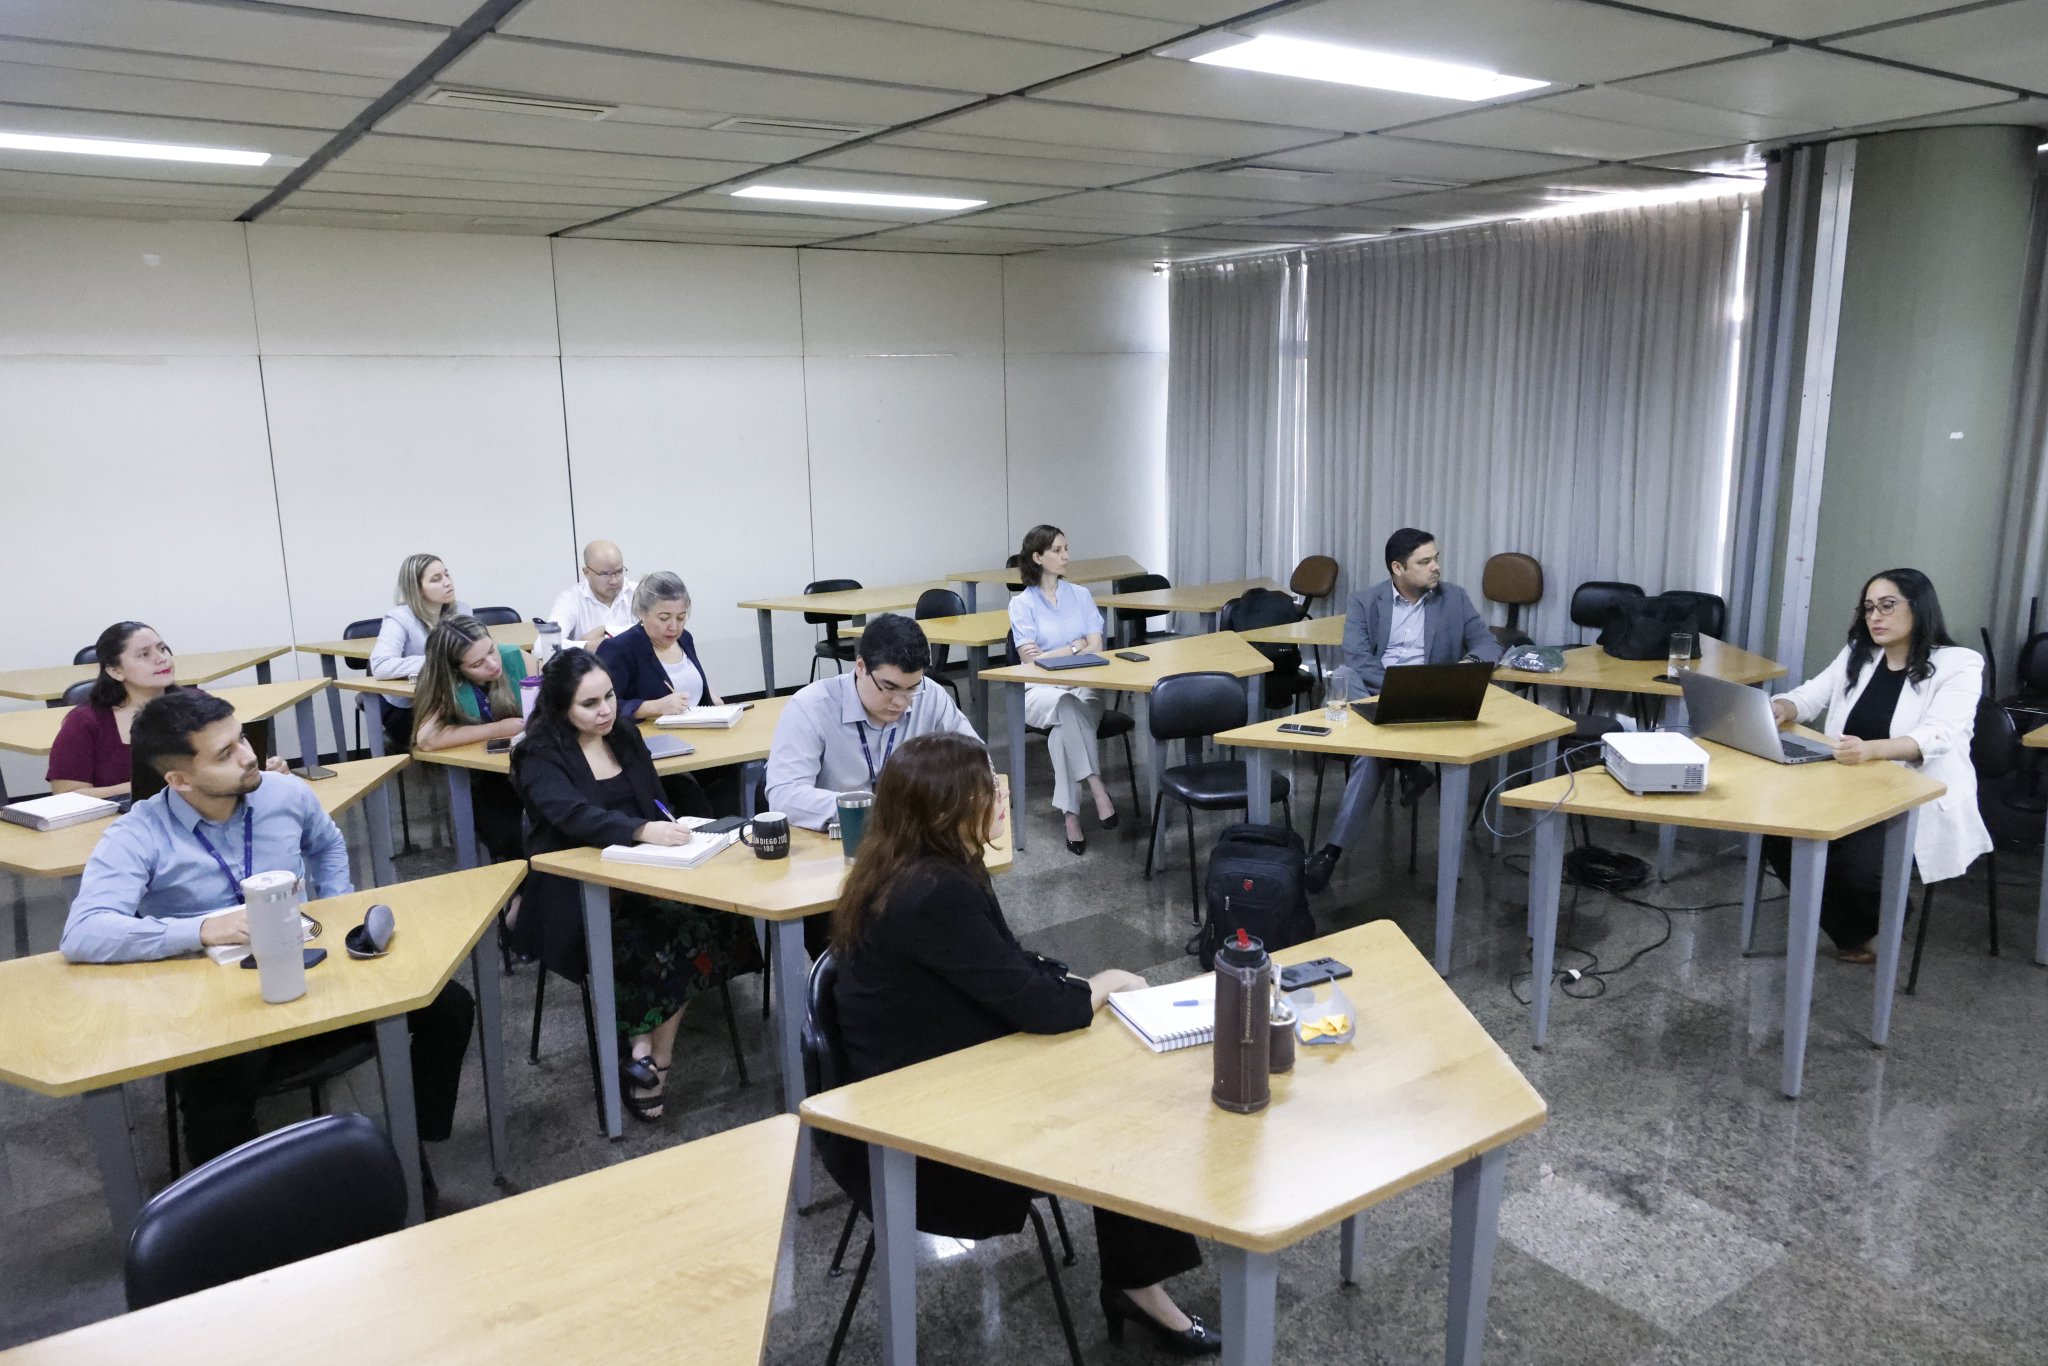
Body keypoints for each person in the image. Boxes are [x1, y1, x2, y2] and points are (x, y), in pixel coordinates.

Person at [831, 733, 1221, 1356]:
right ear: (944, 808)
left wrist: (1071, 985)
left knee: (1113, 1073)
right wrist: (1091, 988)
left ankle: (1138, 1280)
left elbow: (1001, 967)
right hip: (921, 1130)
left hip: (935, 1072)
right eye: (987, 787)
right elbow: (1032, 1004)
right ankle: (1138, 1287)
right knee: (1128, 1107)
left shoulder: (918, 865)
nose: (1002, 796)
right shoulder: (932, 890)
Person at [59, 691, 473, 1185]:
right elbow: (84, 932)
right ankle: (241, 1207)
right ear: (179, 779)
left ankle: (410, 1143)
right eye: (225, 753)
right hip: (215, 1002)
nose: (248, 755)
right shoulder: (138, 834)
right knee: (218, 1092)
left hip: (310, 966)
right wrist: (200, 929)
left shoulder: (284, 793)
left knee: (449, 1006)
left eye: (241, 738)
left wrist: (336, 906)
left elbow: (328, 843)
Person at [512, 650, 761, 1119]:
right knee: (657, 933)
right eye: (590, 704)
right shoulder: (538, 751)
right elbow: (570, 815)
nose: (606, 710)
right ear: (561, 707)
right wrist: (641, 831)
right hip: (578, 883)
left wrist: (667, 830)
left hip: (645, 871)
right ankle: (649, 1053)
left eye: (609, 696)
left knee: (708, 915)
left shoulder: (623, 734)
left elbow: (654, 800)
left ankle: (649, 1052)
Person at [1763, 568, 1991, 962]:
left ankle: (1882, 921)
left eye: (1887, 606)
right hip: (1847, 785)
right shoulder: (1859, 653)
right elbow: (1812, 695)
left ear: (1919, 609)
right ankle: (1857, 932)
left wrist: (1873, 749)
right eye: (1869, 608)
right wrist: (1782, 706)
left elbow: (1940, 735)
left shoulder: (1959, 663)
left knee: (1852, 860)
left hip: (1911, 794)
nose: (1875, 617)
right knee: (1781, 837)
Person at [1305, 528, 1502, 893]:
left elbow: (1487, 644)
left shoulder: (1454, 599)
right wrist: (1395, 690)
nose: (1436, 568)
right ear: (1397, 568)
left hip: (1428, 699)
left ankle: (1330, 853)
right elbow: (1358, 658)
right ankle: (1410, 767)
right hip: (1376, 693)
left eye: (1436, 558)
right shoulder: (1365, 601)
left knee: (1370, 750)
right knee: (1349, 678)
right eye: (1425, 562)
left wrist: (1466, 664)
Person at [765, 613, 981, 832]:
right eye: (889, 687)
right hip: (838, 840)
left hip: (912, 840)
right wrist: (867, 809)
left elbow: (976, 761)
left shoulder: (930, 695)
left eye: (911, 689)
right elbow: (784, 795)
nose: (900, 702)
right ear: (860, 667)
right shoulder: (811, 708)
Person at [50, 621, 288, 798]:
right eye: (144, 655)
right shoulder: (85, 721)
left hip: (204, 812)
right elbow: (66, 794)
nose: (161, 659)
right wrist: (143, 788)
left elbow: (235, 757)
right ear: (115, 671)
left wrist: (265, 768)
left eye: (163, 649)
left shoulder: (196, 702)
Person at [1009, 524, 1119, 855]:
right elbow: (1029, 660)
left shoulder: (1081, 596)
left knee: (1063, 730)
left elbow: (1097, 647)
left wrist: (1059, 653)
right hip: (1039, 692)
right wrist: (1074, 647)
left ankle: (1071, 818)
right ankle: (1098, 788)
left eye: (1067, 548)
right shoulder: (1022, 604)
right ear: (1037, 557)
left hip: (1086, 686)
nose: (1066, 556)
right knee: (1066, 706)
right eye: (1057, 550)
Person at [411, 615, 528, 866]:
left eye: (490, 650)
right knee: (509, 832)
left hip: (530, 765)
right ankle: (518, 893)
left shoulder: (512, 657)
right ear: (456, 670)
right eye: (477, 664)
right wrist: (496, 729)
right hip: (484, 778)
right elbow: (428, 739)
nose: (492, 664)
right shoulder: (444, 682)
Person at [369, 552, 470, 756]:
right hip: (409, 708)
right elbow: (380, 665)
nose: (447, 582)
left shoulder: (462, 611)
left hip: (453, 698)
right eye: (436, 579)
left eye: (447, 575)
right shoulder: (399, 618)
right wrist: (438, 662)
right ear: (417, 589)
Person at [594, 572, 720, 722]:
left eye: (681, 617)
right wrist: (654, 707)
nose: (673, 627)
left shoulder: (685, 638)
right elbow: (604, 707)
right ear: (642, 612)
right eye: (664, 618)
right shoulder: (619, 649)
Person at [546, 539, 639, 649]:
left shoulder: (637, 592)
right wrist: (587, 646)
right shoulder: (570, 599)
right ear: (586, 572)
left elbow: (655, 631)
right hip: (590, 664)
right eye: (605, 574)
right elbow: (545, 646)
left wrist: (606, 629)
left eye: (618, 572)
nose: (614, 581)